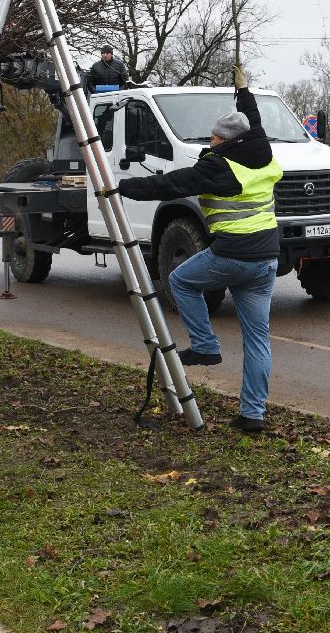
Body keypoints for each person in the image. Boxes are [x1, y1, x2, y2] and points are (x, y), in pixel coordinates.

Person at [116, 66, 281, 432]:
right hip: (267, 259)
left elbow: (172, 184)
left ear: (225, 141)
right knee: (258, 340)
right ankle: (252, 416)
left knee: (180, 280)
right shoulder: (264, 154)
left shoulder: (219, 167)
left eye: (214, 137)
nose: (211, 140)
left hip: (232, 255)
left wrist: (121, 188)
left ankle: (205, 345)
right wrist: (245, 91)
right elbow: (251, 121)